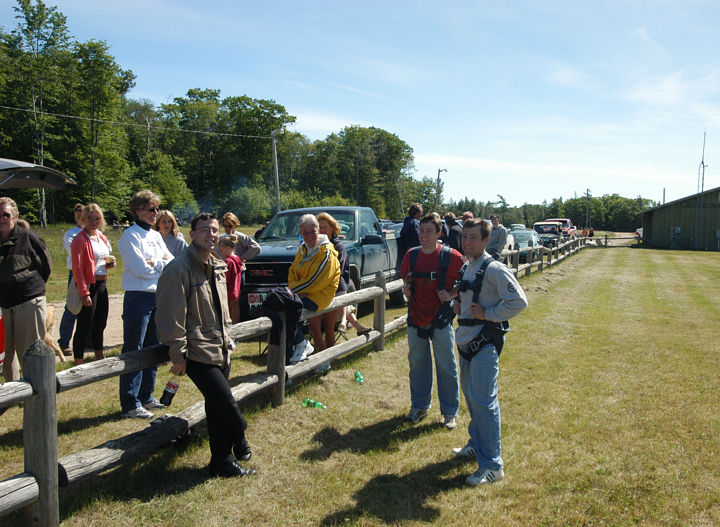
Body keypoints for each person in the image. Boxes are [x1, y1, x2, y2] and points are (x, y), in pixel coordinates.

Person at [156, 212, 255, 478]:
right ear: (191, 234)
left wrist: (228, 341)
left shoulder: (218, 265)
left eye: (214, 230)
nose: (211, 235)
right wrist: (178, 354)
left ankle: (222, 461)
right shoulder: (178, 269)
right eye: (204, 230)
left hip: (221, 348)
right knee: (228, 405)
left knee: (216, 407)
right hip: (198, 351)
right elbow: (170, 315)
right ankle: (240, 438)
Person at [451, 217, 527, 486]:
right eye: (465, 237)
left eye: (473, 238)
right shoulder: (466, 268)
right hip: (465, 341)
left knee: (484, 400)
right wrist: (457, 306)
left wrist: (490, 314)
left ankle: (493, 465)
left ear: (486, 240)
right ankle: (476, 442)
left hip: (485, 343)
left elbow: (519, 302)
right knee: (472, 399)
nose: (467, 242)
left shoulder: (494, 269)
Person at [400, 213, 464, 428]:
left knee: (446, 365)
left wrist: (453, 294)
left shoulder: (452, 256)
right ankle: (419, 406)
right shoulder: (411, 255)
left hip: (441, 318)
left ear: (439, 233)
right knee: (417, 363)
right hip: (416, 316)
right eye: (421, 231)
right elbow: (406, 279)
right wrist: (406, 289)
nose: (424, 235)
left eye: (429, 231)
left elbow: (468, 277)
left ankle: (450, 412)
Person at [118, 190, 173, 419]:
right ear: (138, 210)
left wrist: (156, 264)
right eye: (151, 209)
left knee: (154, 346)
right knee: (134, 348)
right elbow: (140, 269)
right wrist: (157, 265)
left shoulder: (156, 236)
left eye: (156, 209)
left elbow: (169, 261)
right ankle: (131, 402)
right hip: (138, 297)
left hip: (156, 295)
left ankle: (147, 396)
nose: (155, 213)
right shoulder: (129, 236)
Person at [0, 197, 51, 381]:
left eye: (6, 215)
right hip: (4, 306)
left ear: (14, 217)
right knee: (7, 353)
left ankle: (38, 392)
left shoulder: (27, 238)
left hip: (28, 301)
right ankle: (12, 394)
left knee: (30, 350)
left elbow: (45, 266)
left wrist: (29, 288)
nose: (2, 219)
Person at [287, 214, 340, 363]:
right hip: (303, 295)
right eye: (305, 232)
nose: (309, 236)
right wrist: (295, 291)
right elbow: (292, 272)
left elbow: (317, 280)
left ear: (319, 231)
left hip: (319, 297)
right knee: (279, 309)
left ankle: (303, 347)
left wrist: (293, 291)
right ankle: (296, 349)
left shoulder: (327, 252)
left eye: (313, 231)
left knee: (287, 312)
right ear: (300, 233)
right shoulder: (303, 249)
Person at [70, 204, 115, 365]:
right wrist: (84, 292)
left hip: (102, 283)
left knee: (100, 321)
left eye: (97, 218)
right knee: (84, 324)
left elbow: (101, 260)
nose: (94, 221)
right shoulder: (79, 239)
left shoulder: (101, 237)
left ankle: (99, 355)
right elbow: (77, 268)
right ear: (83, 219)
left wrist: (110, 264)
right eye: (90, 218)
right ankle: (78, 360)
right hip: (89, 285)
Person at [316, 212, 348, 351]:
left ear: (332, 228)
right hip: (316, 291)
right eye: (319, 227)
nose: (322, 230)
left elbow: (337, 271)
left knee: (329, 327)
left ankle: (329, 354)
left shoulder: (338, 247)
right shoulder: (314, 245)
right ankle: (319, 354)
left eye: (325, 227)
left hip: (335, 290)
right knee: (315, 326)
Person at [58, 203, 84, 354]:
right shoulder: (70, 234)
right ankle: (64, 341)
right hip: (75, 273)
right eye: (77, 215)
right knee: (72, 307)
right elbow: (75, 253)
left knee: (89, 308)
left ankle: (87, 340)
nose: (80, 218)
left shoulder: (95, 233)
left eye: (82, 215)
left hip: (93, 274)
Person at [216, 235, 242, 324]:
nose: (221, 253)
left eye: (221, 250)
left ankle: (230, 324)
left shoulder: (228, 261)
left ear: (228, 248)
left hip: (230, 289)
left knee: (229, 309)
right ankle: (235, 323)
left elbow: (225, 277)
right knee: (235, 307)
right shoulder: (237, 259)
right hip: (236, 288)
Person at [396, 203, 423, 270]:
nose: (421, 214)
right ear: (417, 213)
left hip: (407, 249)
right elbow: (418, 236)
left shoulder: (406, 221)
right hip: (415, 249)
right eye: (420, 212)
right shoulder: (414, 222)